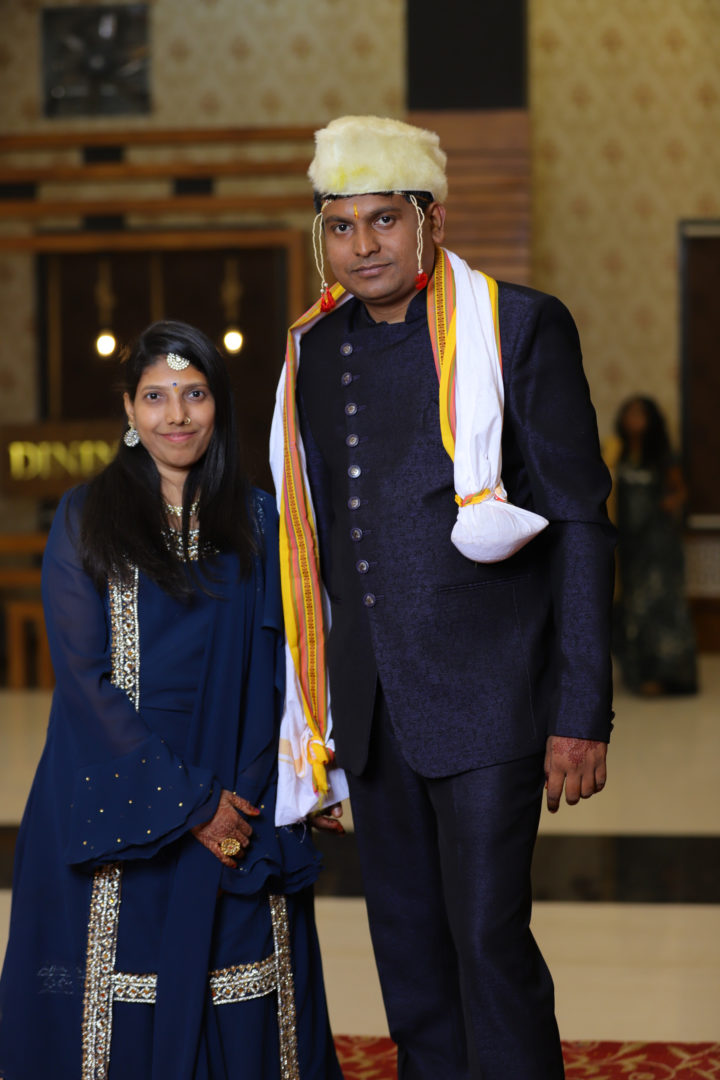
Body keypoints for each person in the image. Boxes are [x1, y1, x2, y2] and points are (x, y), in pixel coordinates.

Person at [269, 116, 616, 1079]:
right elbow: (309, 537)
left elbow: (581, 522)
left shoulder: (518, 326)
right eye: (342, 226)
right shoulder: (313, 350)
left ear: (433, 220)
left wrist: (581, 708)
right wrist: (310, 723)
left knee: (489, 941)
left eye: (385, 219)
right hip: (371, 708)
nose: (363, 246)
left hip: (492, 696)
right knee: (409, 953)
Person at [0, 321, 343, 1080]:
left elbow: (287, 665)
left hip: (243, 786)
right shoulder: (85, 516)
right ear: (129, 409)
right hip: (117, 780)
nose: (176, 415)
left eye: (194, 394)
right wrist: (191, 804)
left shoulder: (260, 520)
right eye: (155, 397)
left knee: (242, 970)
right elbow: (83, 681)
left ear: (219, 405)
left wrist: (265, 786)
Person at [611, 395, 698, 696]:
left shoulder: (662, 455)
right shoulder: (616, 453)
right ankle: (640, 674)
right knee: (633, 606)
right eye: (629, 413)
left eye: (640, 414)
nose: (633, 420)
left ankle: (671, 677)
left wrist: (667, 505)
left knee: (661, 607)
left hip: (658, 545)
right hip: (629, 545)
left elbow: (680, 492)